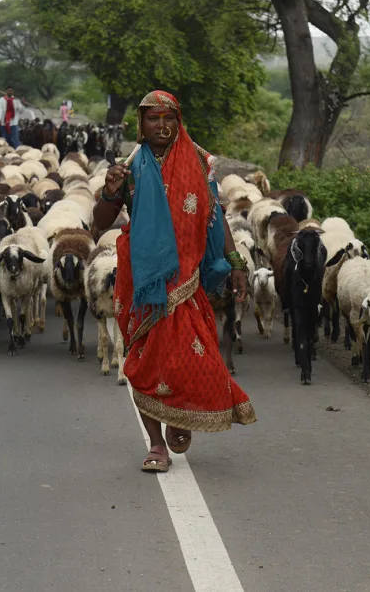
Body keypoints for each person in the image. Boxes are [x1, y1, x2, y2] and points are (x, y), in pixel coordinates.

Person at [93, 90, 256, 473]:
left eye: (169, 118)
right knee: (143, 359)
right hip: (141, 278)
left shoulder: (199, 162)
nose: (162, 126)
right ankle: (155, 444)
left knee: (189, 355)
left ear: (178, 121)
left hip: (186, 276)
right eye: (153, 118)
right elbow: (100, 221)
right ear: (141, 124)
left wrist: (235, 264)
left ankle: (180, 417)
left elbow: (214, 215)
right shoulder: (130, 167)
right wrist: (109, 191)